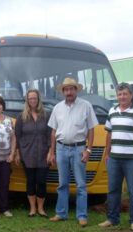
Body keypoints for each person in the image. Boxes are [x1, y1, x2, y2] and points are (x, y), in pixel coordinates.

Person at [98, 83, 133, 231]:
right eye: (119, 94)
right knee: (113, 190)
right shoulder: (112, 111)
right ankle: (112, 219)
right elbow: (109, 133)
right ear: (117, 96)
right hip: (114, 158)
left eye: (125, 94)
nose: (122, 97)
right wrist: (107, 153)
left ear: (131, 95)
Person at [47, 77, 98, 227]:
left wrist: (88, 149)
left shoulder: (86, 106)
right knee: (62, 183)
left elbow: (91, 129)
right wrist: (52, 152)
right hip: (61, 148)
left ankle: (82, 216)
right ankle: (61, 213)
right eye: (66, 89)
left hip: (79, 149)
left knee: (81, 184)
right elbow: (53, 132)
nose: (69, 92)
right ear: (63, 91)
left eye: (71, 89)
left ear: (76, 90)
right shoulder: (57, 108)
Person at [15, 89, 51, 217]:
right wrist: (18, 153)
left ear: (38, 99)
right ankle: (32, 209)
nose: (32, 100)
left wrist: (51, 152)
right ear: (27, 100)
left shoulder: (46, 115)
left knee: (41, 181)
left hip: (43, 154)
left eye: (34, 98)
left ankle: (41, 208)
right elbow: (17, 136)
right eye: (30, 98)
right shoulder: (21, 117)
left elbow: (50, 134)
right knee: (30, 181)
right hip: (27, 154)